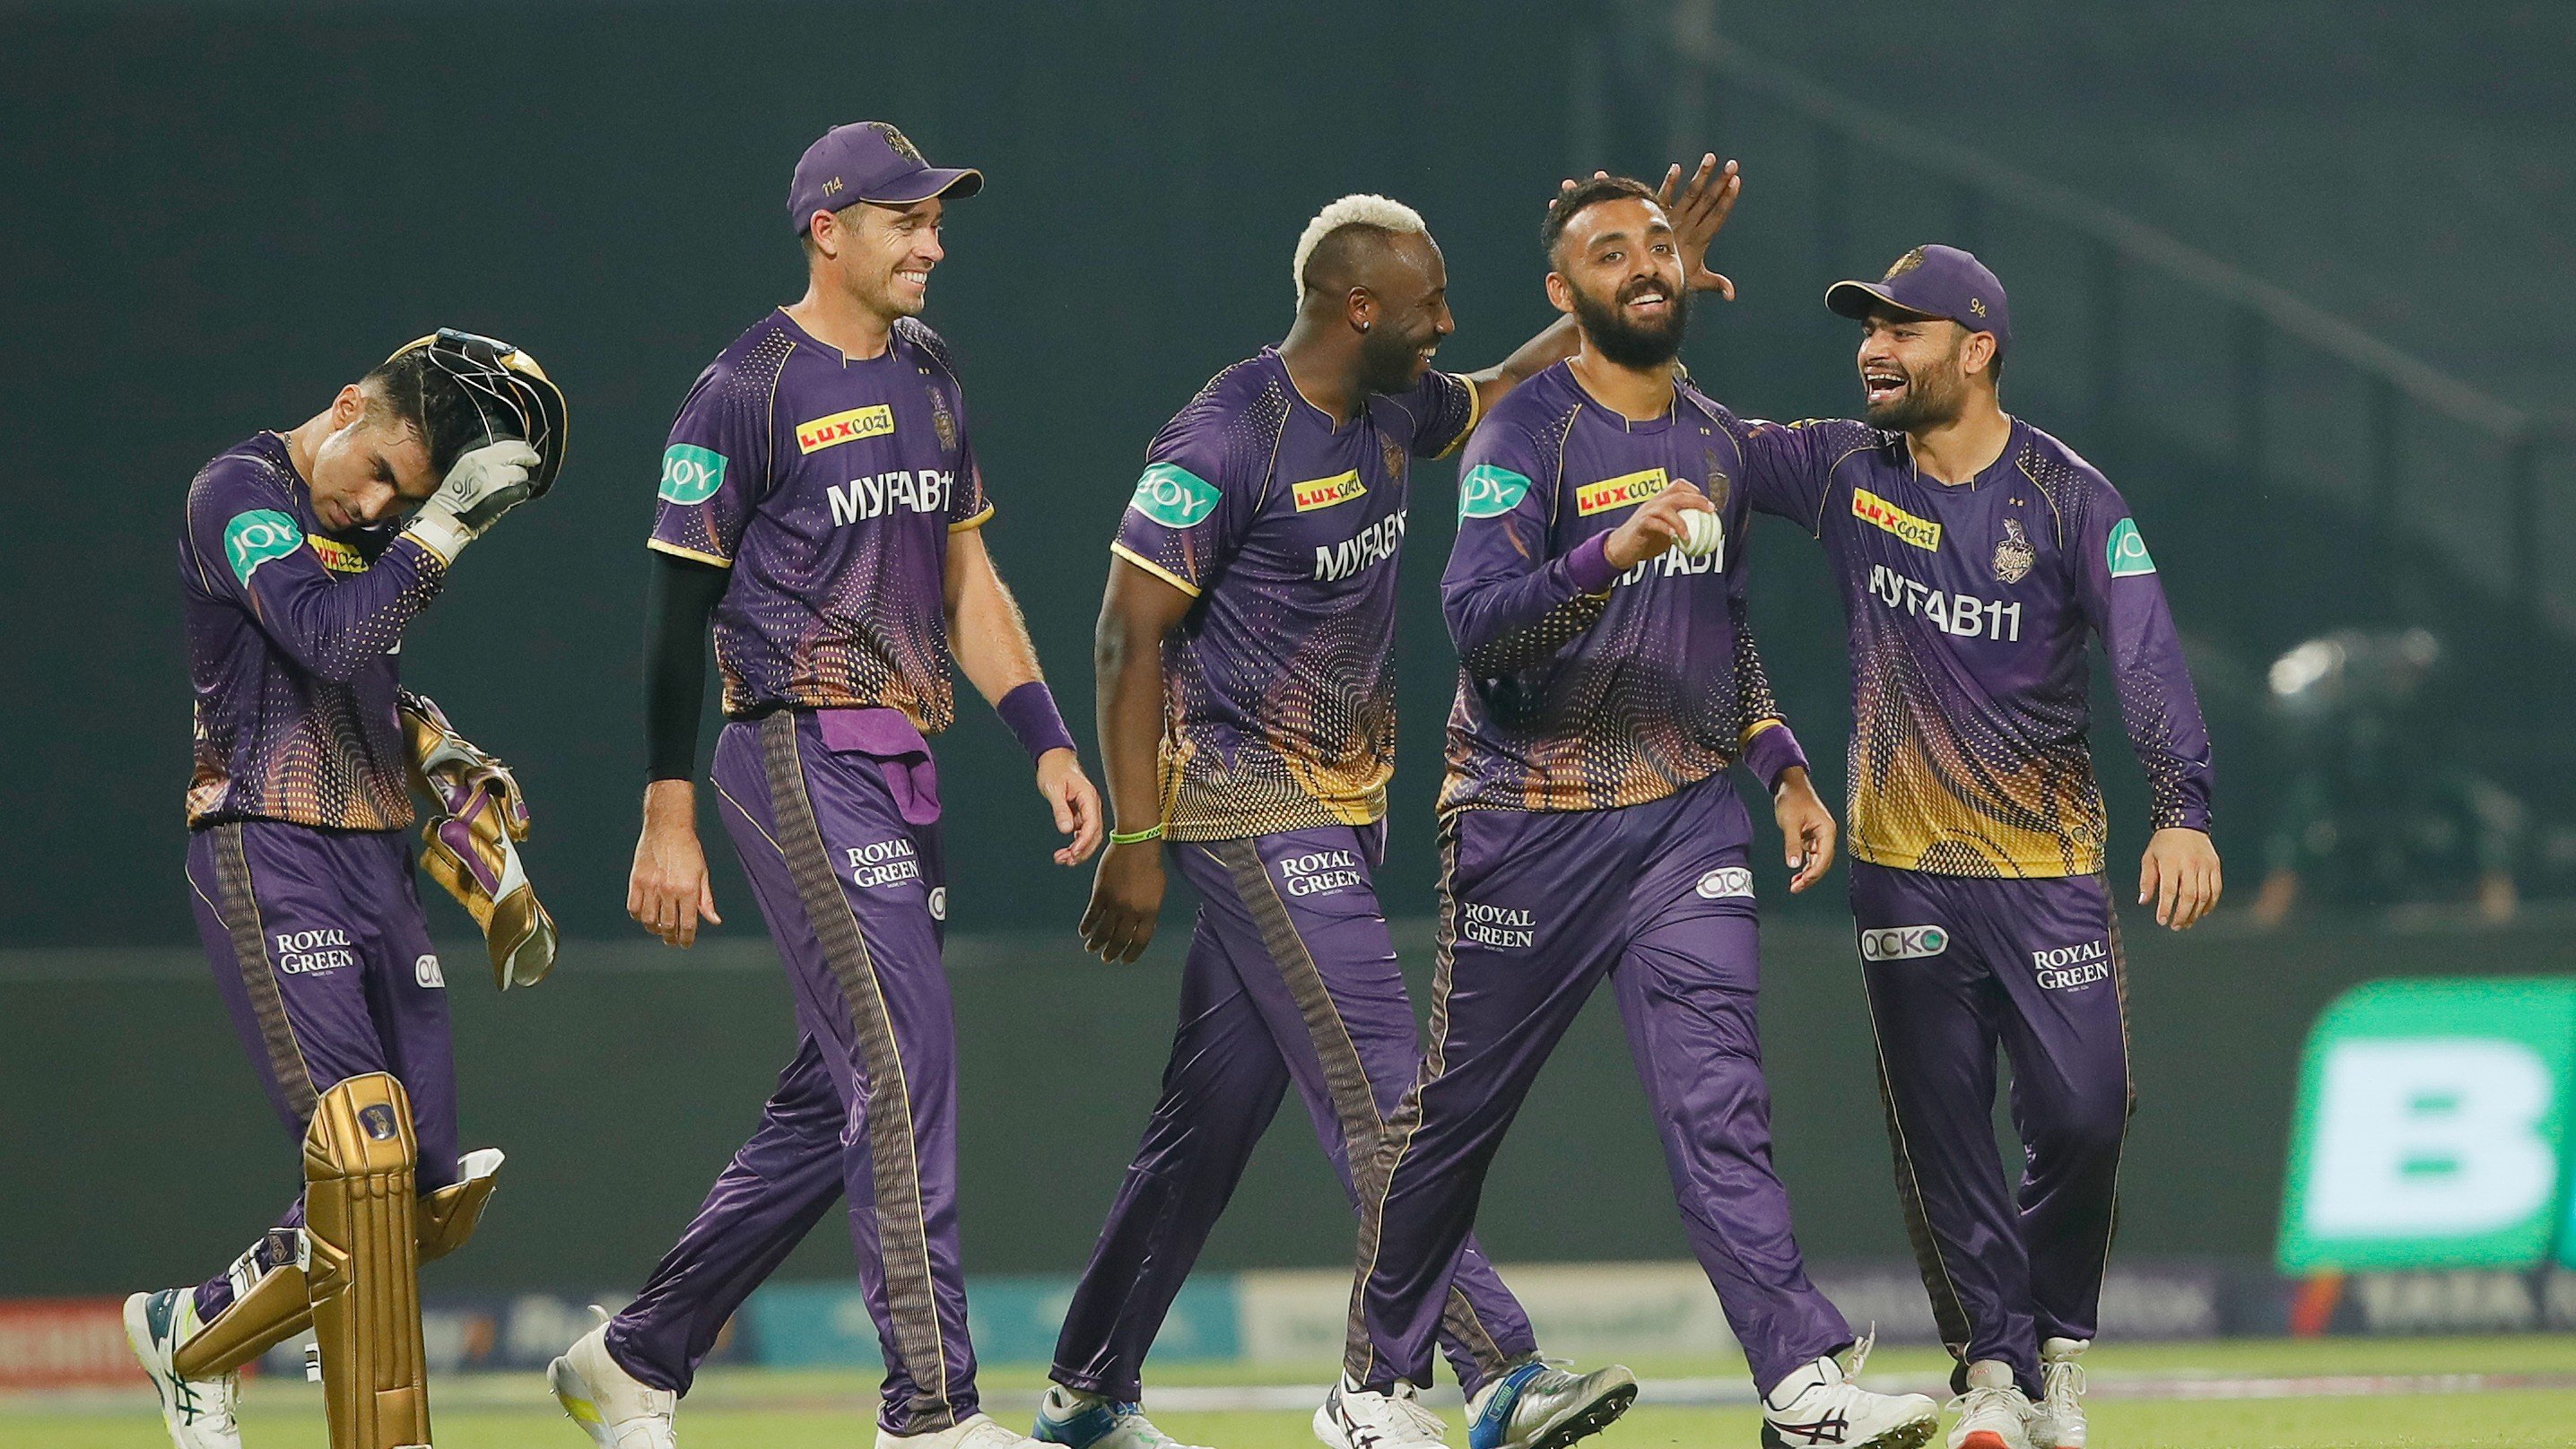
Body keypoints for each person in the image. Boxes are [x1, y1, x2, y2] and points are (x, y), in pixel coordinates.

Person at [1057, 178, 1736, 1449]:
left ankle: (1087, 1389)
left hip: (1339, 807)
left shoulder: (1390, 405)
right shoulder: (1225, 435)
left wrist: (1639, 289)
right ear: (1357, 307)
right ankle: (1496, 1368)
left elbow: (1500, 385)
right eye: (1429, 304)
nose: (1446, 323)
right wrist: (1136, 841)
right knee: (1384, 1084)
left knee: (1205, 1123)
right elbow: (1122, 634)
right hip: (1245, 799)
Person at [1332, 175, 1941, 1449]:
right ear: (1565, 294)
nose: (1645, 263)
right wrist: (1608, 550)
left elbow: (1722, 635)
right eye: (1610, 253)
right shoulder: (1524, 435)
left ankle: (1800, 1385)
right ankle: (1373, 1389)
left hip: (1684, 824)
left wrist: (1780, 764)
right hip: (1526, 822)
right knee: (1459, 1120)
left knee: (1722, 1107)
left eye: (1657, 244)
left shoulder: (1717, 441)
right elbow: (1478, 627)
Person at [546, 123, 1102, 1449]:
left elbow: (966, 578)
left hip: (901, 761)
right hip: (793, 750)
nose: (933, 244)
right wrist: (666, 814)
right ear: (828, 229)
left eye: (936, 221)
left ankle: (634, 1356)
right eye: (908, 221)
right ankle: (931, 1410)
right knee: (902, 1064)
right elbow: (675, 614)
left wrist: (1045, 735)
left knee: (840, 1089)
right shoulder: (742, 388)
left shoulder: (931, 370)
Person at [1730, 243, 2221, 1449]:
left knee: (2087, 1114)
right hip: (1903, 871)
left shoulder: (2068, 496)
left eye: (1902, 329)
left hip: (2048, 870)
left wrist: (2182, 806)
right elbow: (1703, 440)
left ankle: (2054, 1347)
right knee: (1942, 1134)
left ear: (1978, 347)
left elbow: (2146, 652)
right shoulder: (1844, 469)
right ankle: (1995, 1372)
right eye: (1868, 329)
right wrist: (1630, 330)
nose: (1873, 349)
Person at [126, 330, 565, 1449]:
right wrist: (442, 526)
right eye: (379, 476)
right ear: (344, 407)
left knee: (424, 1190)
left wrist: (447, 757)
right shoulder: (237, 492)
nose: (376, 508)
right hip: (266, 847)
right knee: (361, 1162)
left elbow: (361, 679)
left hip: (375, 861)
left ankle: (187, 1333)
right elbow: (324, 639)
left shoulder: (367, 534)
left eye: (402, 500)